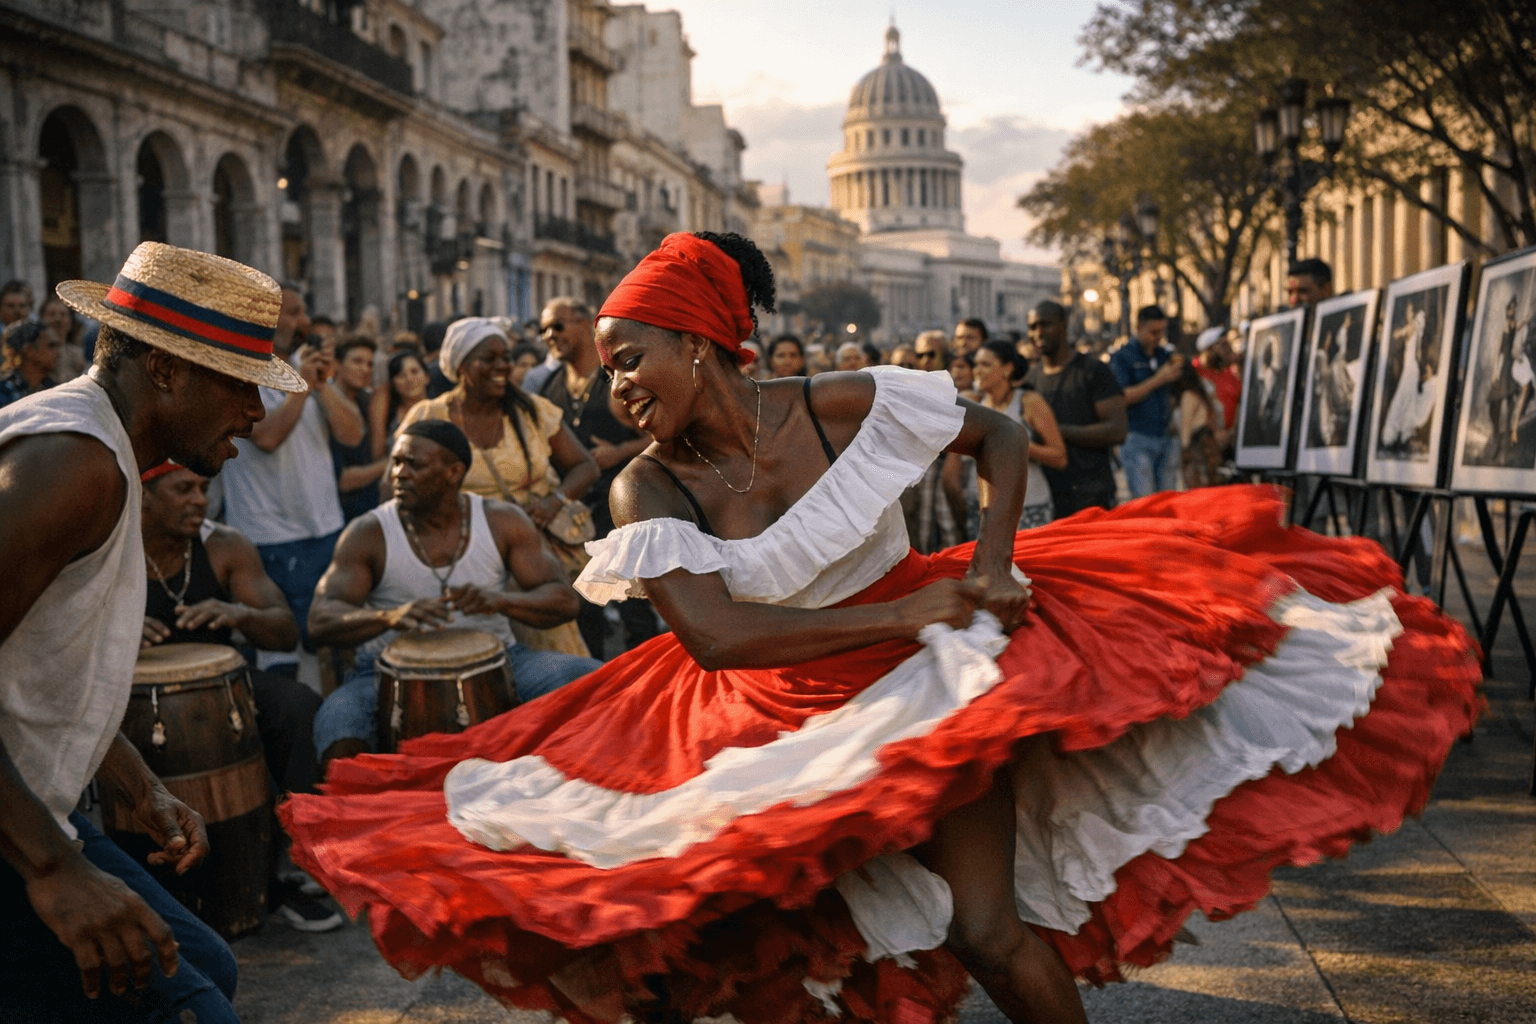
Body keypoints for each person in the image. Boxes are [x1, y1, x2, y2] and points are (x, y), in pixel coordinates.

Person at [281, 230, 1481, 1024]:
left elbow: (1000, 438)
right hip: (772, 716)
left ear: (700, 341)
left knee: (989, 927)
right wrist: (915, 603)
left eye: (630, 356)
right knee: (729, 949)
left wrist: (997, 565)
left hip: (926, 679)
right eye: (602, 369)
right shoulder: (645, 489)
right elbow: (719, 641)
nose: (612, 385)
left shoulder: (838, 398)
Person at [1, 241, 309, 1023]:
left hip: (40, 802)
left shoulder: (107, 457)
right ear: (165, 370)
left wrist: (139, 787)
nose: (256, 410)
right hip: (17, 826)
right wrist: (52, 871)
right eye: (240, 383)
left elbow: (40, 667)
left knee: (202, 962)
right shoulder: (74, 462)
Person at [308, 420, 600, 767]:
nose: (397, 474)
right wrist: (389, 616)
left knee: (596, 683)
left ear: (453, 472)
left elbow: (564, 600)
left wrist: (501, 600)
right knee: (338, 723)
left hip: (501, 662)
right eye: (396, 462)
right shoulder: (369, 532)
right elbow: (320, 617)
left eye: (413, 464)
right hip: (384, 674)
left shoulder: (501, 520)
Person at [137, 461, 342, 932]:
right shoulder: (110, 544)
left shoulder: (224, 545)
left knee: (299, 706)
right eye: (183, 488)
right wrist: (119, 633)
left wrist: (236, 614)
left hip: (224, 681)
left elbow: (284, 631)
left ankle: (289, 866)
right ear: (145, 494)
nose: (199, 499)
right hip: (130, 692)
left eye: (204, 488)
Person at [400, 318, 600, 658]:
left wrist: (554, 501)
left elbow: (586, 466)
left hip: (530, 552)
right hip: (463, 556)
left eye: (505, 356)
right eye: (489, 359)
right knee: (479, 653)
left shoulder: (532, 412)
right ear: (461, 365)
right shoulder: (430, 417)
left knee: (552, 650)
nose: (502, 366)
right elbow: (399, 485)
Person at [220, 285, 365, 672]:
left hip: (325, 528)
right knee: (283, 658)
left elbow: (353, 435)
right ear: (264, 318)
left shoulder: (304, 370)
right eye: (294, 312)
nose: (304, 322)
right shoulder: (238, 370)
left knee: (332, 651)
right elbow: (267, 438)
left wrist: (322, 386)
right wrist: (302, 387)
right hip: (271, 537)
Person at [534, 297, 658, 658]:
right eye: (543, 329)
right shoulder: (551, 386)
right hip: (575, 519)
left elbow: (662, 436)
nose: (548, 336)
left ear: (587, 325)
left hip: (623, 514)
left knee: (634, 607)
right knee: (584, 606)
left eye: (557, 325)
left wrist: (619, 453)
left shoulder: (615, 384)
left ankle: (648, 687)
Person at [1026, 300, 1127, 518]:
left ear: (1063, 325)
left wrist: (1056, 432)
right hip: (1044, 497)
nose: (1038, 332)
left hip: (1091, 494)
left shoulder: (1093, 371)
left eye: (1046, 324)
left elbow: (1118, 430)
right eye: (1033, 327)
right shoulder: (1030, 379)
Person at [972, 340, 1066, 528]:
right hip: (984, 510)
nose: (977, 371)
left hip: (1028, 507)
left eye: (985, 364)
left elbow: (1060, 457)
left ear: (1007, 369)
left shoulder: (1029, 402)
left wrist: (1018, 445)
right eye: (976, 364)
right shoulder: (977, 405)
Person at [1111, 304, 1182, 498]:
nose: (1158, 337)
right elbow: (1121, 397)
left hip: (1166, 435)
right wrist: (1158, 379)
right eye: (1153, 332)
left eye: (1161, 332)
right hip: (1137, 436)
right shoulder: (1122, 357)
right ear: (1139, 326)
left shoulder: (1164, 355)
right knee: (1145, 500)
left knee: (1168, 500)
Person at [330, 336, 385, 521]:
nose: (365, 369)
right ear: (337, 364)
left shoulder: (367, 402)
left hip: (369, 511)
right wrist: (388, 463)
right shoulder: (325, 405)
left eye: (370, 364)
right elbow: (343, 480)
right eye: (357, 361)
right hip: (338, 515)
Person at [370, 349, 430, 457]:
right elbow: (378, 454)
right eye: (401, 375)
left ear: (426, 377)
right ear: (393, 383)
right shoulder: (388, 413)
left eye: (414, 371)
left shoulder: (440, 409)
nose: (409, 379)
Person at [0, 318, 63, 408]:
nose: (58, 353)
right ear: (29, 350)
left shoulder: (53, 389)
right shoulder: (4, 392)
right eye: (51, 345)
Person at [1194, 327, 1241, 435]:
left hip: (1229, 441)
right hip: (1205, 441)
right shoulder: (1193, 372)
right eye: (1224, 345)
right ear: (1209, 350)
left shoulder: (1228, 373)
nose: (1229, 349)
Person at [40, 294, 88, 381]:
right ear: (42, 319)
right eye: (52, 314)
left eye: (63, 314)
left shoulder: (77, 355)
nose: (58, 319)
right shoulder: (35, 353)